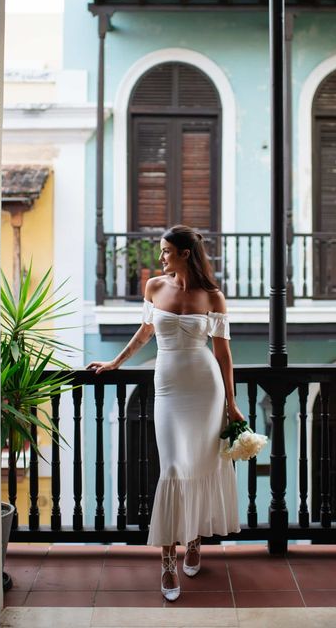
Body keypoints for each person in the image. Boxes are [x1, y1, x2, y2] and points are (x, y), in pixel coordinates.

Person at [87, 225, 244, 601]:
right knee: (173, 468)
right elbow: (144, 333)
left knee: (201, 465)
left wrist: (232, 402)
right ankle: (168, 561)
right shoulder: (155, 287)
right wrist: (116, 362)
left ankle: (194, 540)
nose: (161, 257)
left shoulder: (213, 296)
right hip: (169, 387)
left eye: (166, 251)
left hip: (205, 388)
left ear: (186, 253)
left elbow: (222, 353)